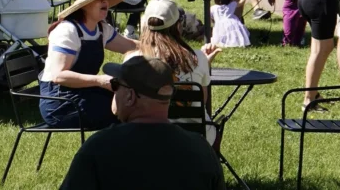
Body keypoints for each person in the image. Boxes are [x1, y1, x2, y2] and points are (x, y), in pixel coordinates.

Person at [59, 56, 224, 190]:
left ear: (130, 96)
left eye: (116, 85)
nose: (113, 91)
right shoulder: (201, 149)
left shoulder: (98, 148)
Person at [40, 0, 138, 129]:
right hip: (59, 103)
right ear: (84, 5)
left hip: (84, 94)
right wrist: (99, 81)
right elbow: (59, 76)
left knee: (131, 101)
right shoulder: (67, 30)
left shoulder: (101, 29)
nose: (105, 1)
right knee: (128, 108)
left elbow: (131, 45)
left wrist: (162, 47)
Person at [132, 0, 219, 94]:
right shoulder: (198, 57)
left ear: (145, 26)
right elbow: (203, 99)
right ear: (178, 26)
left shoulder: (135, 59)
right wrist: (203, 62)